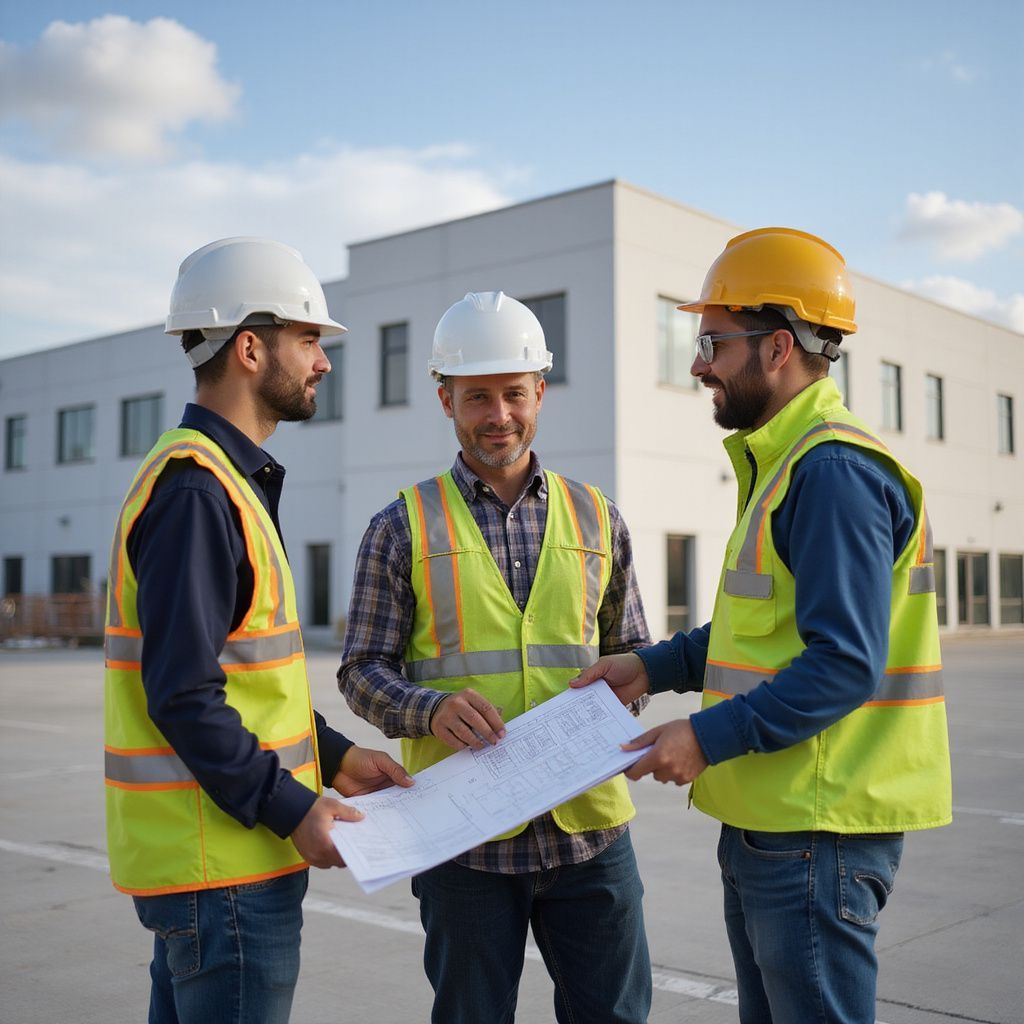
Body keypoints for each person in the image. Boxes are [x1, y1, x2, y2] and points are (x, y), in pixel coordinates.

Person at [573, 228, 953, 1024]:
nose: (698, 363)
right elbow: (763, 631)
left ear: (779, 346)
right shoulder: (787, 463)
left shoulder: (832, 472)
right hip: (775, 824)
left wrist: (706, 738)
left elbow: (844, 665)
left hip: (816, 832)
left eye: (712, 341)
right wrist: (651, 665)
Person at [103, 237, 413, 1024]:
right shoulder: (200, 493)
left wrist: (337, 762)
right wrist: (291, 809)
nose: (324, 362)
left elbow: (242, 687)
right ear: (249, 347)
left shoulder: (215, 479)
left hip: (216, 869)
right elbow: (183, 696)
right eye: (309, 339)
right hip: (226, 878)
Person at [339, 291, 653, 1023]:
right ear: (445, 399)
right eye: (476, 396)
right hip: (464, 845)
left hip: (591, 835)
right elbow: (360, 671)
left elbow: (632, 653)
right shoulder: (400, 527)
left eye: (514, 393)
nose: (498, 415)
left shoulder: (598, 516)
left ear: (540, 391)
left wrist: (610, 707)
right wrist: (430, 707)